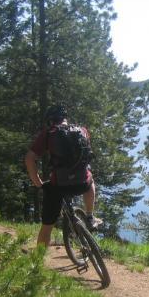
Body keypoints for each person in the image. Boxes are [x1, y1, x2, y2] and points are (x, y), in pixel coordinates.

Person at [25, 105, 102, 247]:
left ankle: (38, 263)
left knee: (47, 226)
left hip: (58, 187)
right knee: (90, 179)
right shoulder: (82, 130)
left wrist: (38, 183)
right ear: (65, 118)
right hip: (81, 184)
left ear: (50, 120)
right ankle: (90, 216)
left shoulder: (48, 134)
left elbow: (30, 158)